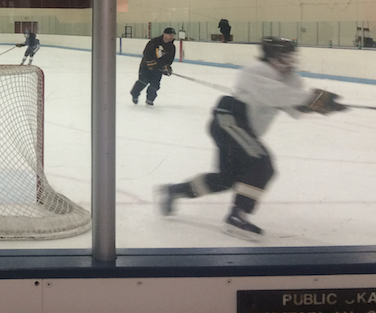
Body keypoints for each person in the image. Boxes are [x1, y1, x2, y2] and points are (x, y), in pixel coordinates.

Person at [156, 37, 347, 240]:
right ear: (272, 55)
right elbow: (274, 95)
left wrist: (320, 106)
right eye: (285, 54)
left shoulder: (293, 80)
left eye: (292, 54)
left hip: (239, 127)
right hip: (230, 119)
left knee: (226, 179)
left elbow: (292, 107)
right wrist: (311, 99)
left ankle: (174, 191)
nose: (290, 59)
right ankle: (236, 218)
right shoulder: (255, 70)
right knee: (262, 165)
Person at [129, 27, 176, 106]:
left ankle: (150, 99)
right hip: (145, 67)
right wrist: (151, 64)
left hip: (158, 69)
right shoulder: (154, 42)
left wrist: (166, 67)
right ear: (164, 34)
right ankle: (135, 93)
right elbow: (146, 53)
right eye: (170, 35)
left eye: (173, 35)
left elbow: (170, 59)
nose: (171, 37)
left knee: (155, 84)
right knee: (143, 81)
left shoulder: (172, 47)